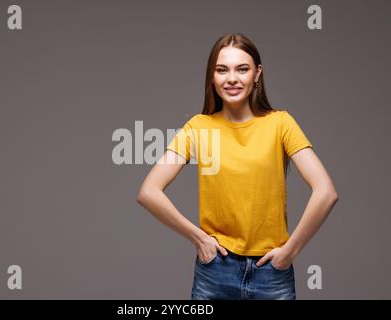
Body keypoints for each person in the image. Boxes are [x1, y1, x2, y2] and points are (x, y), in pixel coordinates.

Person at [136, 33, 339, 300]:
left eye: (242, 69)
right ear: (212, 76)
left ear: (257, 74)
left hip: (272, 274)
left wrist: (292, 251)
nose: (232, 78)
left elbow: (326, 192)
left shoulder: (281, 123)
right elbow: (148, 192)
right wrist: (198, 238)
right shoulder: (199, 128)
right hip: (215, 272)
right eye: (222, 70)